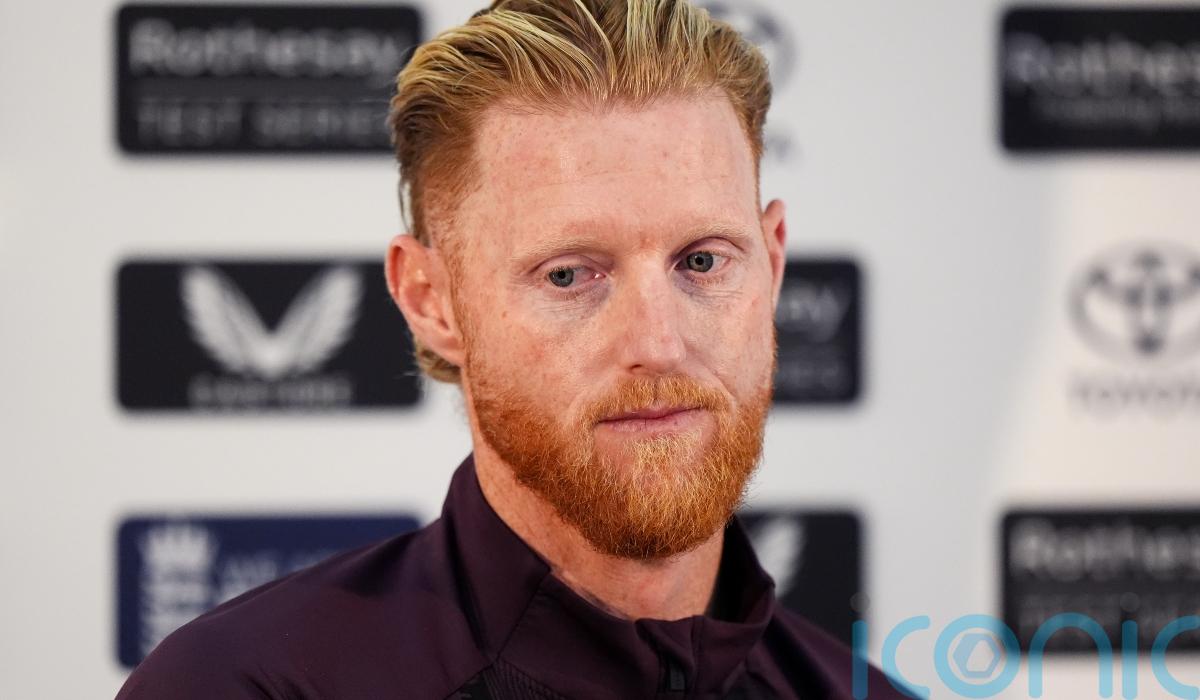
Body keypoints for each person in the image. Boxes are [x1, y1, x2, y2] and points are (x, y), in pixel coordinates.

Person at [117, 1, 906, 697]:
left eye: (701, 261)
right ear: (431, 301)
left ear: (772, 262)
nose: (659, 344)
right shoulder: (240, 687)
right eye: (569, 274)